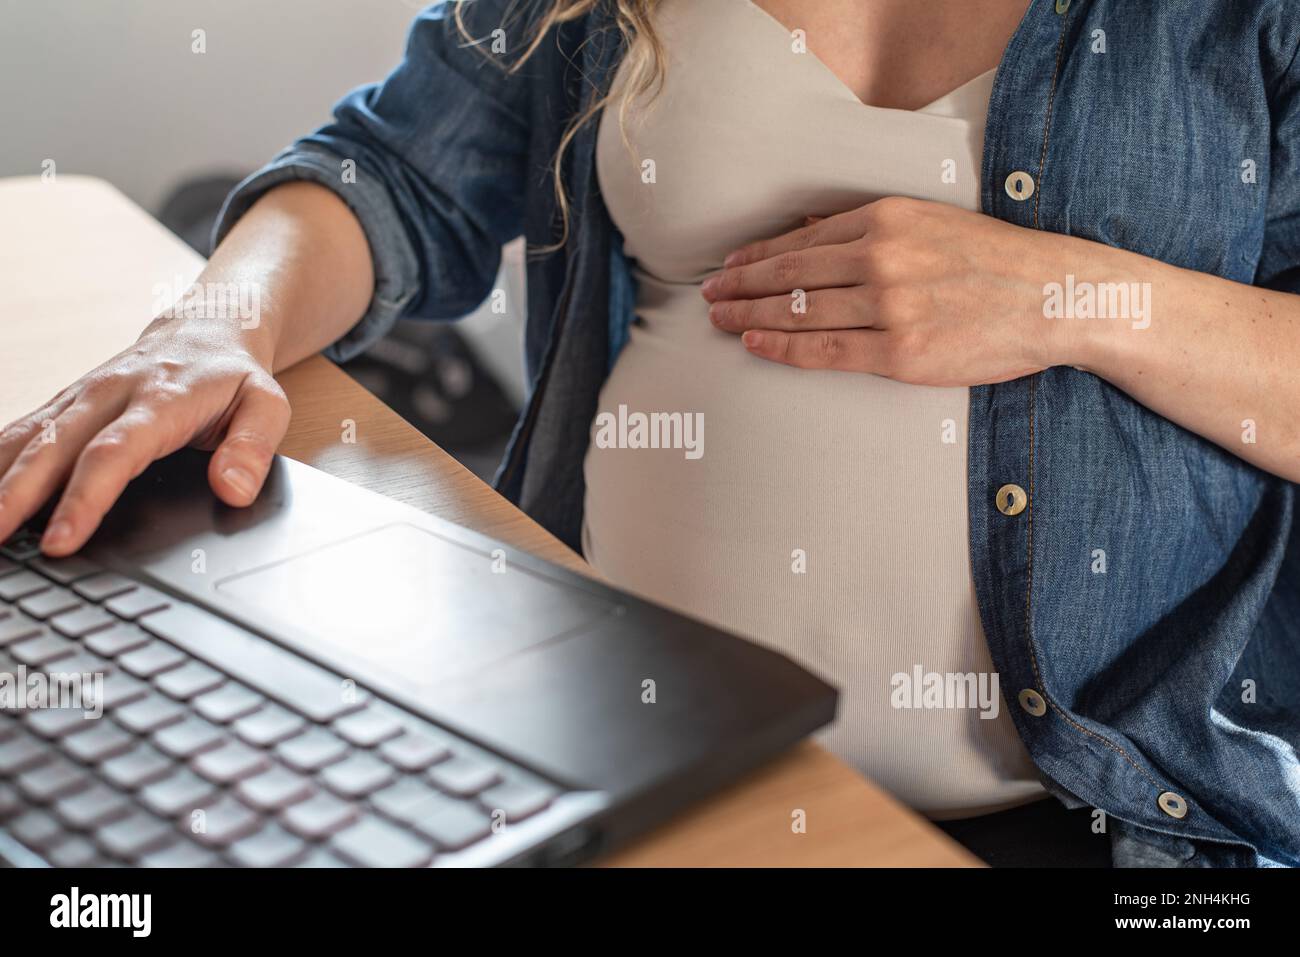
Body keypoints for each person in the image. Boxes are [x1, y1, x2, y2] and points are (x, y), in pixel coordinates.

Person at [2, 0, 1298, 867]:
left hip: (1128, 828)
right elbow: (393, 172)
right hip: (610, 755)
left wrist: (1073, 300)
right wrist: (214, 323)